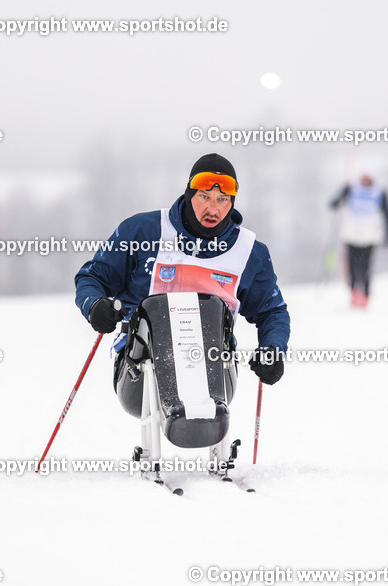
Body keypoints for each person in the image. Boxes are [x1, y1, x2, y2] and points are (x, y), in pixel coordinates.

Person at [74, 153, 290, 424]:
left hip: (214, 368)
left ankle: (216, 445)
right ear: (189, 194)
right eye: (204, 197)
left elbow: (272, 312)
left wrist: (272, 348)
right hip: (142, 367)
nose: (213, 209)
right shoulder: (143, 232)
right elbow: (91, 277)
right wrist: (95, 306)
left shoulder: (249, 253)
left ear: (232, 201)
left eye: (223, 199)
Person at [329, 174, 388, 308]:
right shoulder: (351, 188)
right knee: (352, 265)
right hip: (351, 234)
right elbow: (335, 203)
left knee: (366, 266)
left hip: (370, 235)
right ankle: (353, 293)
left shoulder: (379, 191)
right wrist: (339, 197)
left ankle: (365, 294)